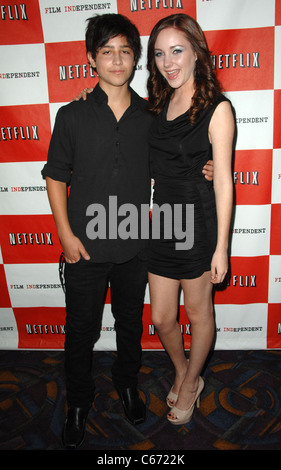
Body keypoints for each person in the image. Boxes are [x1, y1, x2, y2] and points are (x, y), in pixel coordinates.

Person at [42, 13, 214, 448]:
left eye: (125, 51)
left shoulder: (152, 115)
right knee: (80, 329)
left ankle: (127, 384)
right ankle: (78, 401)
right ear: (91, 59)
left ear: (136, 59)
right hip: (83, 245)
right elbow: (55, 176)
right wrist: (65, 235)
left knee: (128, 326)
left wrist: (207, 167)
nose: (116, 61)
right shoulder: (71, 115)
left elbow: (181, 152)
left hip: (138, 244)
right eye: (106, 52)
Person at [146, 14, 234, 425]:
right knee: (162, 317)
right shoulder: (159, 102)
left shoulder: (218, 108)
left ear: (197, 51)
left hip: (197, 224)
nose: (168, 62)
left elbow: (225, 181)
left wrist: (221, 248)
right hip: (161, 221)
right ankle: (185, 373)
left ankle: (192, 378)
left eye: (177, 51)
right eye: (160, 54)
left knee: (199, 315)